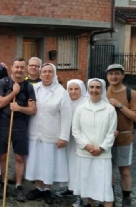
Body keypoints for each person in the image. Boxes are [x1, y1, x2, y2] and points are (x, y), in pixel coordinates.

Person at [25, 63, 72, 204]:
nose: (46, 74)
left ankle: (47, 189)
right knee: (37, 161)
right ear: (40, 74)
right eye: (44, 71)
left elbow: (66, 116)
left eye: (49, 72)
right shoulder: (34, 88)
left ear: (54, 74)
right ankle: (38, 188)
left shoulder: (61, 92)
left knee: (49, 163)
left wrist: (64, 136)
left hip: (52, 134)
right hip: (35, 133)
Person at [0, 57, 36, 201]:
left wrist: (19, 108)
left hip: (20, 125)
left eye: (21, 67)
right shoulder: (3, 82)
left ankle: (19, 185)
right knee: (3, 155)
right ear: (12, 67)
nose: (19, 70)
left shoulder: (28, 87)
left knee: (19, 156)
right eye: (16, 67)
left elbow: (33, 110)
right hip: (3, 123)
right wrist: (13, 93)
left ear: (24, 69)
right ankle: (3, 182)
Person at [72, 78, 117, 207]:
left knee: (105, 187)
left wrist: (101, 148)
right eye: (91, 87)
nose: (94, 90)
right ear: (88, 89)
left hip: (102, 155)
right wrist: (86, 145)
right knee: (87, 183)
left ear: (102, 89)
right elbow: (76, 130)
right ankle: (90, 204)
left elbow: (111, 132)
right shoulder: (80, 109)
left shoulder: (109, 110)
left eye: (97, 87)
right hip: (84, 153)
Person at [106, 64, 136, 207]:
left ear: (122, 75)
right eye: (111, 74)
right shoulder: (103, 91)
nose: (113, 77)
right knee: (108, 170)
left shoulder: (131, 93)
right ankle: (110, 198)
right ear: (107, 76)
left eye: (117, 73)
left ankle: (126, 198)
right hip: (106, 139)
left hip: (124, 138)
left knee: (124, 170)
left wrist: (120, 105)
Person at [55, 79, 89, 207]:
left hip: (80, 142)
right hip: (68, 140)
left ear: (82, 90)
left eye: (76, 89)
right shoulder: (65, 101)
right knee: (68, 165)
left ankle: (80, 196)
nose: (73, 92)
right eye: (70, 89)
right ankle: (70, 189)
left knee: (78, 168)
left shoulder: (86, 103)